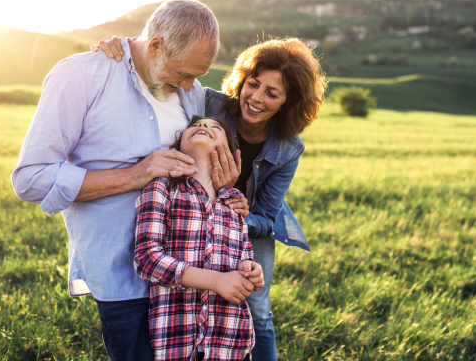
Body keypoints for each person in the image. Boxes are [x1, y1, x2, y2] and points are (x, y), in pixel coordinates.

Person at [11, 0, 248, 361]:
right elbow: (31, 179)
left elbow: (195, 171)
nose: (190, 86)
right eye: (183, 74)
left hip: (189, 279)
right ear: (155, 46)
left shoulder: (190, 90)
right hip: (124, 280)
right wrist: (135, 175)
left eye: (196, 76)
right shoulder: (81, 75)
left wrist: (227, 194)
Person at [95, 36, 327, 361]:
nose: (256, 98)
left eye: (272, 94)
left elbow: (267, 218)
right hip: (191, 203)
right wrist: (122, 48)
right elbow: (162, 75)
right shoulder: (211, 104)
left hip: (242, 220)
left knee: (257, 309)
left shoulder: (288, 149)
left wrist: (239, 215)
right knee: (186, 286)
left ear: (289, 102)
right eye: (253, 84)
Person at [135, 116, 264, 361]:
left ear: (227, 149)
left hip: (230, 339)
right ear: (177, 145)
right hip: (177, 337)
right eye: (195, 126)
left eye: (215, 127)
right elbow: (146, 259)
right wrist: (216, 281)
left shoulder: (234, 201)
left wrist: (251, 270)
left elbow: (245, 256)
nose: (203, 127)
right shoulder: (161, 188)